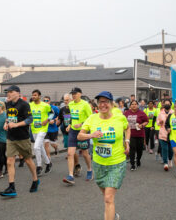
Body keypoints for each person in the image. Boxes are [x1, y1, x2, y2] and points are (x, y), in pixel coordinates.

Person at [78, 91, 130, 220]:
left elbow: (127, 128)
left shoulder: (119, 117)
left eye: (106, 101)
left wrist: (127, 141)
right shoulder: (92, 118)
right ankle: (113, 214)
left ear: (112, 104)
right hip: (99, 163)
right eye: (100, 102)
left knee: (108, 198)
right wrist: (91, 135)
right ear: (97, 104)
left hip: (117, 163)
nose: (103, 104)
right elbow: (80, 135)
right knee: (106, 196)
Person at [0, 85, 39, 197]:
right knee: (9, 161)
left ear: (17, 93)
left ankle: (35, 180)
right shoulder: (7, 104)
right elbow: (9, 117)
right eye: (7, 92)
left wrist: (16, 125)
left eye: (11, 92)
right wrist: (6, 123)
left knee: (27, 160)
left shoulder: (24, 104)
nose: (8, 94)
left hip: (22, 137)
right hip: (11, 137)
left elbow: (30, 119)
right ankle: (11, 187)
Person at [63, 87, 93, 185]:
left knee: (85, 154)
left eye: (75, 93)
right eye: (72, 94)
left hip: (83, 131)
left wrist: (81, 124)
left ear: (80, 94)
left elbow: (91, 119)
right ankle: (71, 176)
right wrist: (70, 125)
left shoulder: (85, 105)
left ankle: (89, 170)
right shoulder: (71, 104)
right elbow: (72, 117)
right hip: (73, 132)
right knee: (70, 153)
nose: (74, 95)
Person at [29, 90, 52, 176]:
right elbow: (27, 114)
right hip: (34, 129)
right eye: (32, 95)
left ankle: (39, 166)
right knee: (40, 147)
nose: (33, 97)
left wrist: (47, 120)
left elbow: (52, 114)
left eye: (35, 95)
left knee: (35, 147)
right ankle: (48, 163)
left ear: (39, 96)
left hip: (43, 129)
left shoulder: (45, 105)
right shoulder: (30, 105)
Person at [124, 100, 149, 171]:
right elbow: (123, 121)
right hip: (130, 134)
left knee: (139, 150)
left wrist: (142, 125)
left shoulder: (141, 113)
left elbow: (146, 121)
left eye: (135, 104)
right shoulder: (126, 113)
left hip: (140, 134)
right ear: (130, 105)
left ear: (137, 105)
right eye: (132, 104)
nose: (134, 105)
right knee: (132, 149)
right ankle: (132, 164)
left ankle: (138, 159)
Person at [157, 99, 173, 171]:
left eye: (168, 103)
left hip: (171, 133)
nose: (167, 104)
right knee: (164, 149)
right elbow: (157, 123)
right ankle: (165, 163)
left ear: (170, 104)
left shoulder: (173, 112)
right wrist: (160, 122)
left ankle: (170, 160)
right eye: (165, 103)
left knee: (170, 149)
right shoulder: (161, 113)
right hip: (162, 133)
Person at [43, 96, 60, 162]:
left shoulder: (54, 108)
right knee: (46, 143)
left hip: (53, 129)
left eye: (47, 101)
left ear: (49, 101)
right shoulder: (42, 108)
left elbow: (60, 115)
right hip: (45, 129)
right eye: (44, 100)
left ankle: (56, 148)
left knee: (53, 144)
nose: (45, 102)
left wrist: (55, 120)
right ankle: (48, 158)